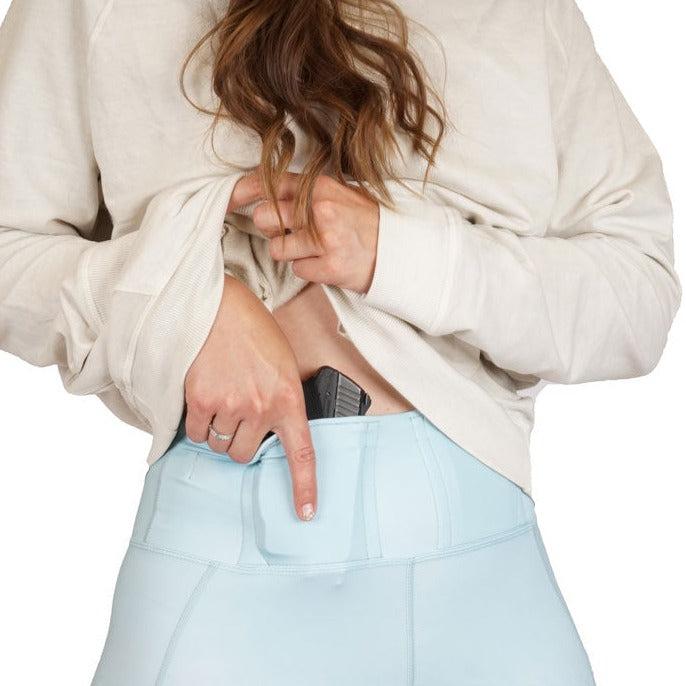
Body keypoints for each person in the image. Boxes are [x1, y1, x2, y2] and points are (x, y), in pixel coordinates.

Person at [0, 0, 680, 683]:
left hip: (483, 584)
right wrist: (189, 309)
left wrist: (404, 256)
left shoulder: (522, 13)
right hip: (217, 568)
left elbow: (640, 286)